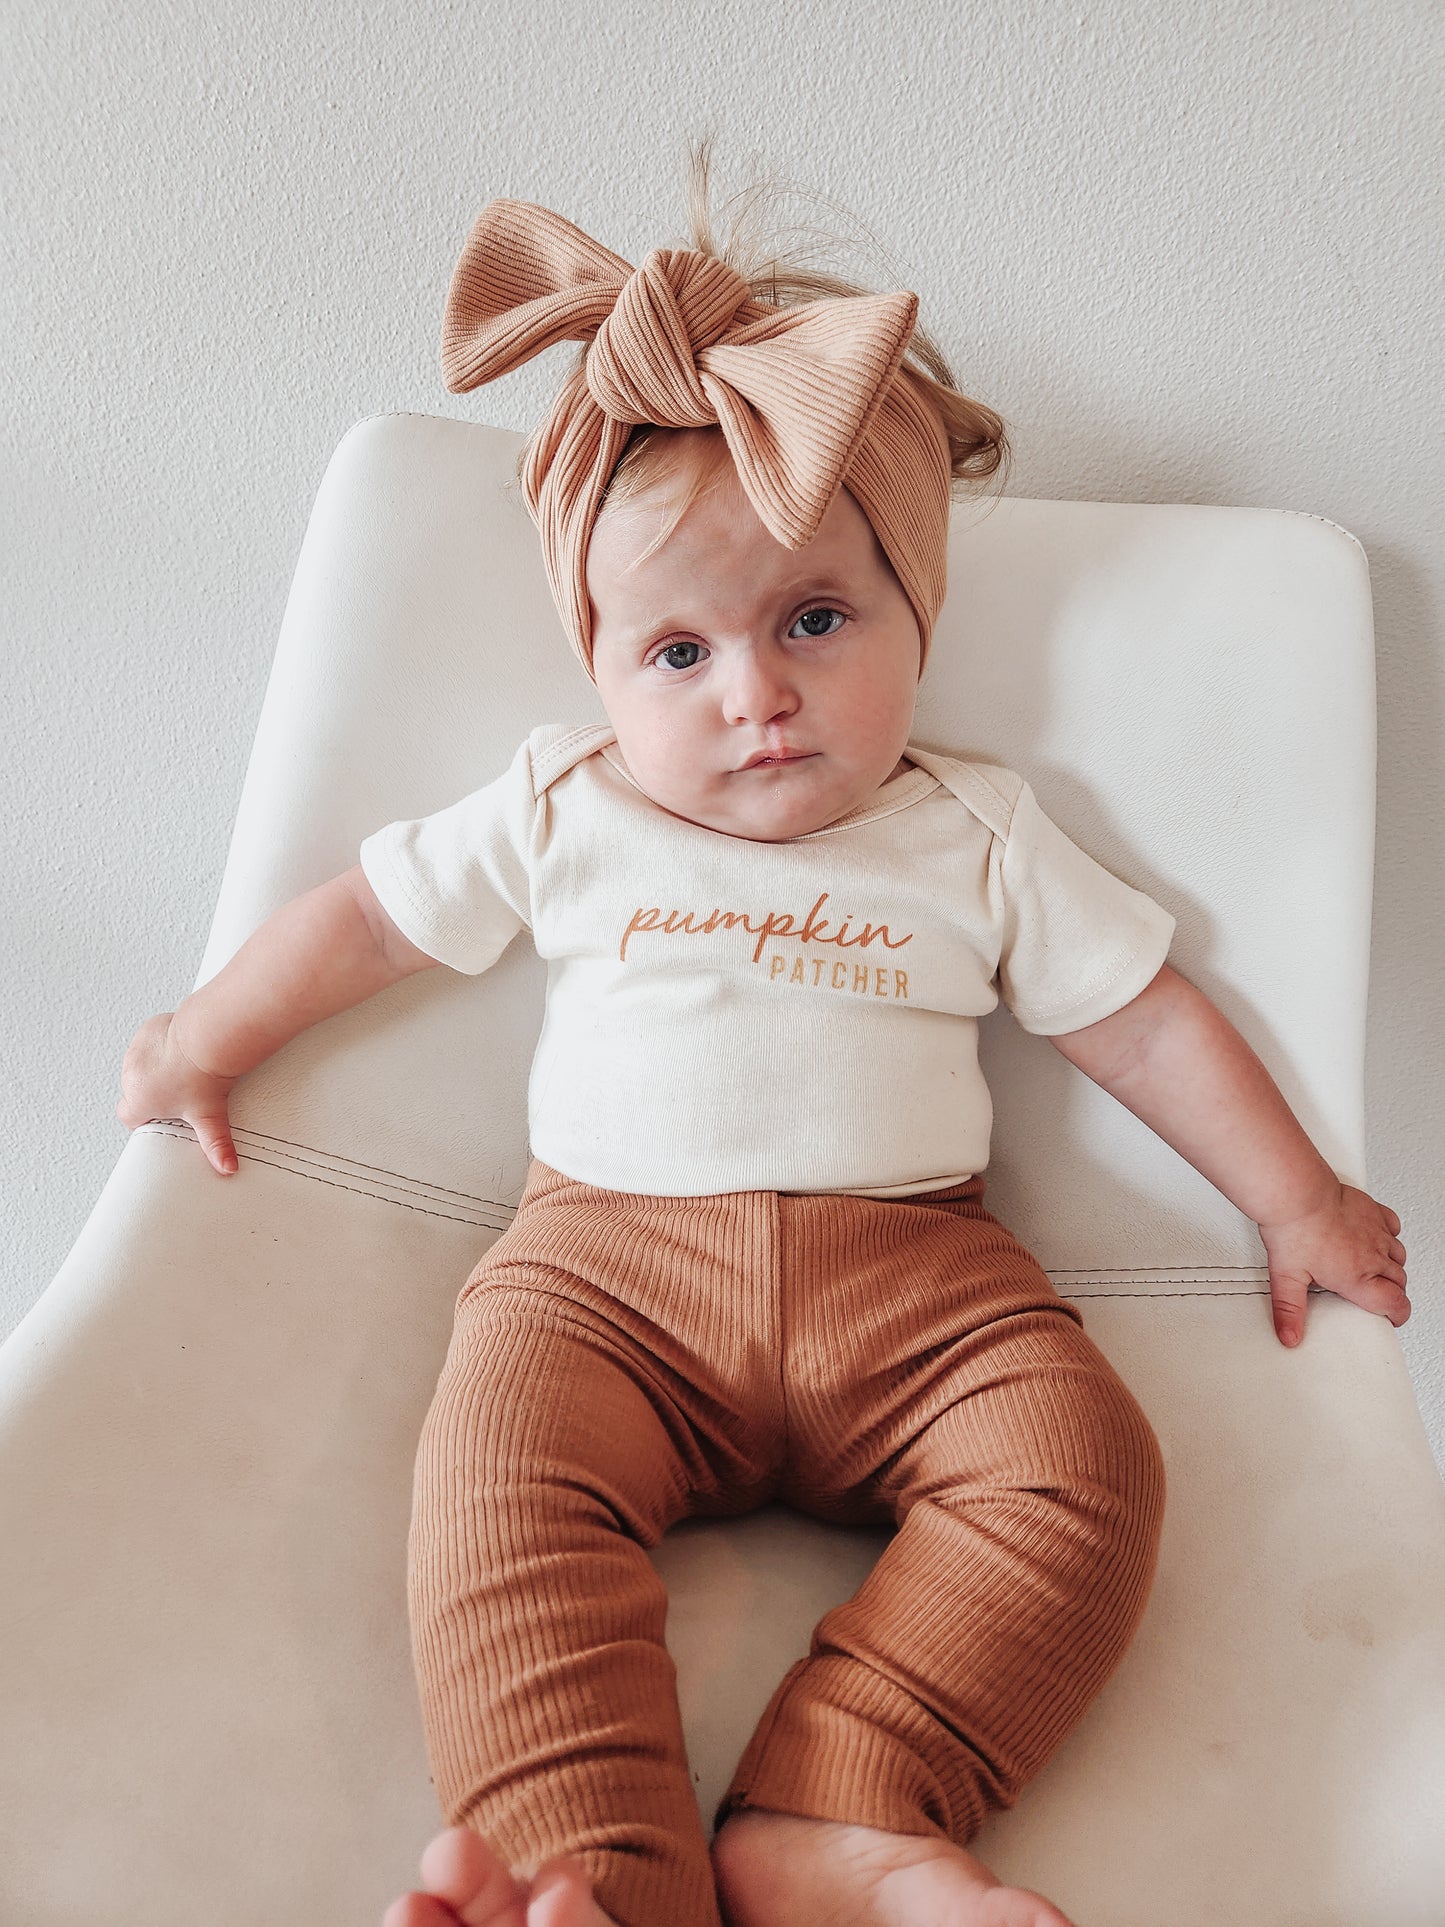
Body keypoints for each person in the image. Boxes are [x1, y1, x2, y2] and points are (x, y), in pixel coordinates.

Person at [116, 154, 1410, 1927]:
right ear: (595, 664)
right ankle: (584, 1874)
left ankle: (837, 1808)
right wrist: (201, 1036)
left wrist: (1294, 1199)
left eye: (813, 620)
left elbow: (1142, 1020)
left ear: (913, 612)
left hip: (924, 1285)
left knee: (1081, 1472)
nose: (756, 695)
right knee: (494, 1498)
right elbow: (364, 918)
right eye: (676, 651)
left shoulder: (974, 830)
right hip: (599, 1283)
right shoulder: (562, 807)